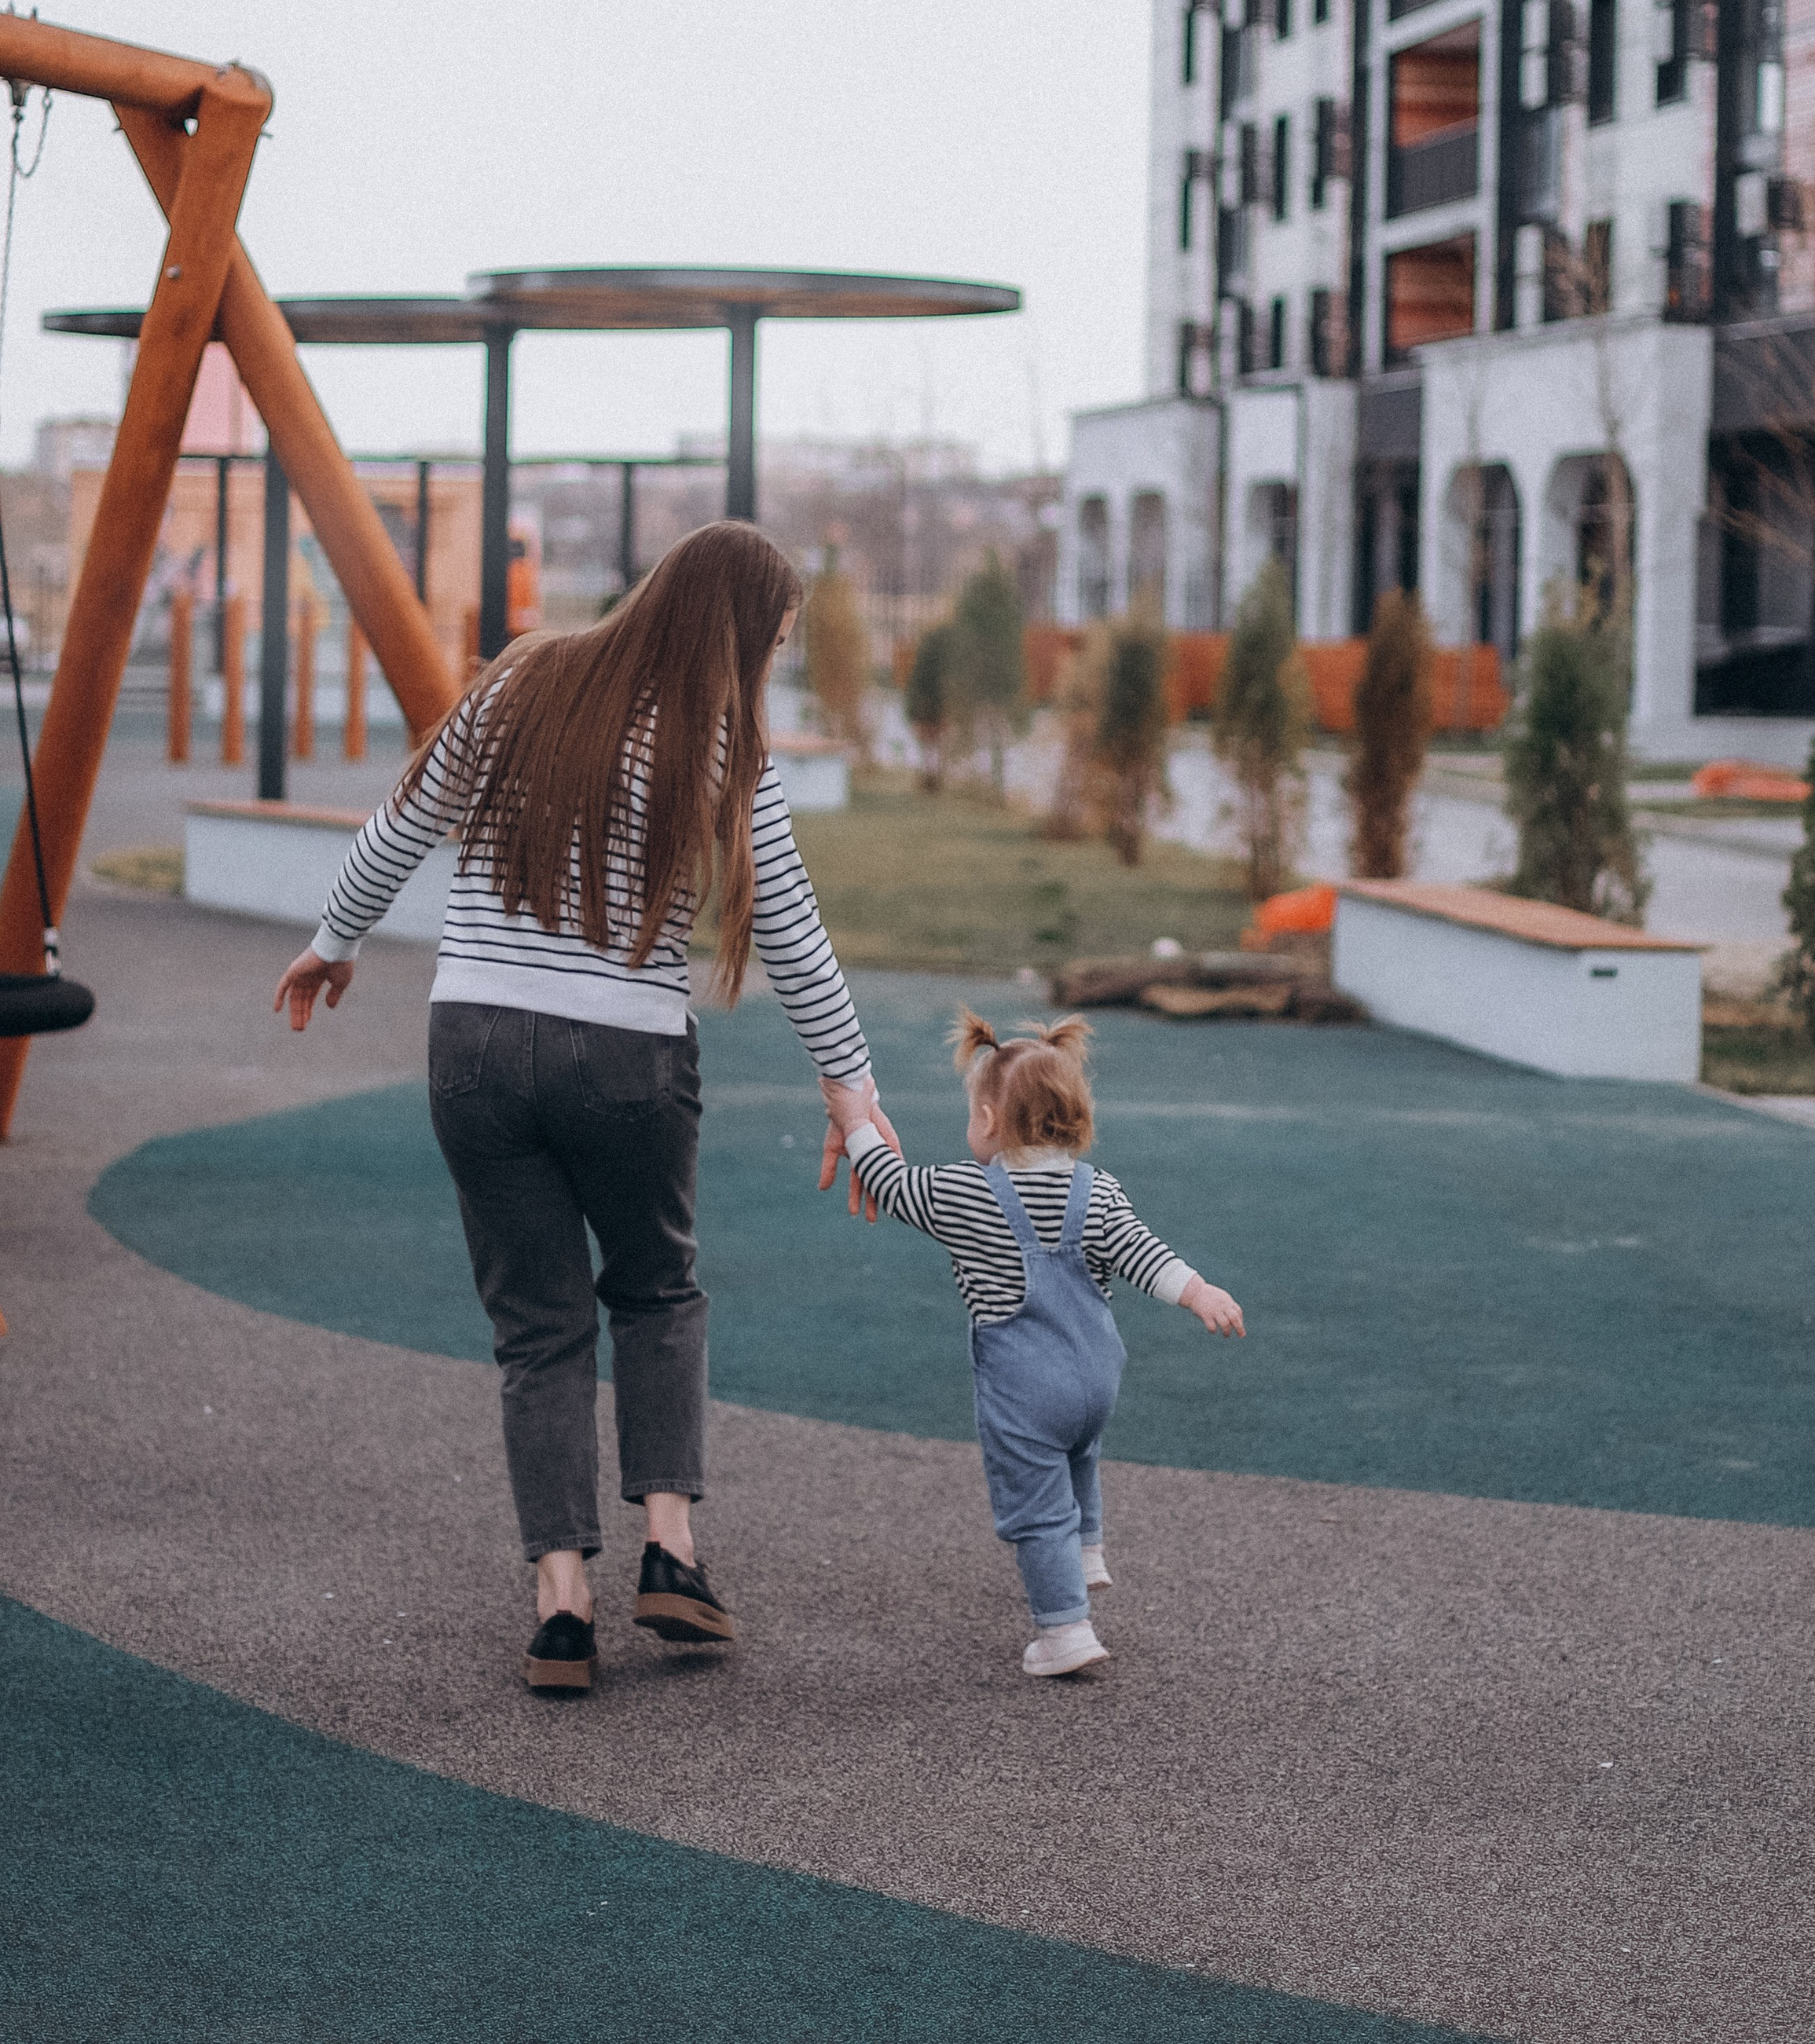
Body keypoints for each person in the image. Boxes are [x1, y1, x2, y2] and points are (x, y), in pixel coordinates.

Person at [273, 522, 897, 1698]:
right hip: (625, 1055)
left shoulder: (520, 682)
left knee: (537, 1324)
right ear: (737, 633)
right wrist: (848, 1083)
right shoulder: (719, 740)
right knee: (655, 1288)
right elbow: (790, 926)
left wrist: (331, 942)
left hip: (473, 1044)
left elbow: (401, 823)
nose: (769, 663)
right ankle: (671, 1548)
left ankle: (561, 1607)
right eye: (771, 642)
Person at [823, 1008, 1243, 1680]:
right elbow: (1145, 1254)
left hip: (1025, 1387)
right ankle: (1086, 1550)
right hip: (1097, 1376)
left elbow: (892, 1185)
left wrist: (856, 1123)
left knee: (1036, 1504)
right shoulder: (1099, 1191)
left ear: (989, 1120)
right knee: (1079, 1450)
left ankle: (1064, 1632)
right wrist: (1199, 1292)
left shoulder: (967, 1192)